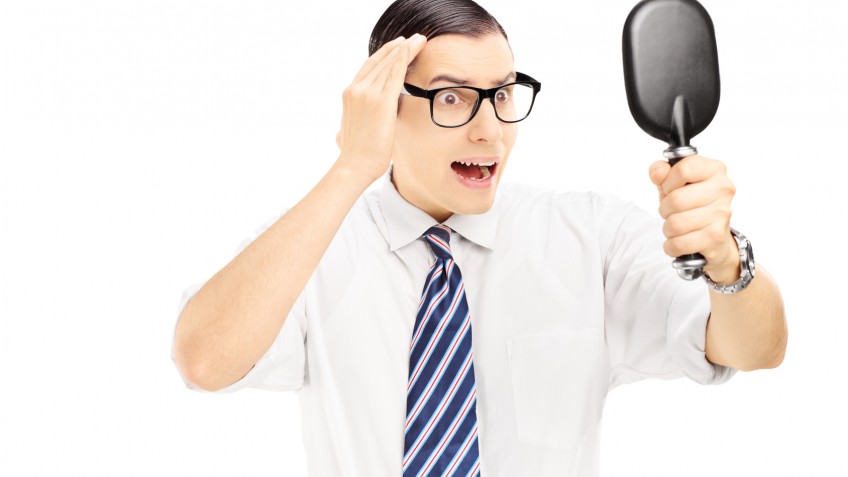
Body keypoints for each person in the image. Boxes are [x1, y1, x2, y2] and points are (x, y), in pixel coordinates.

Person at [171, 0, 788, 475]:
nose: (489, 130)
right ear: (385, 104)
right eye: (453, 98)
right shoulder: (314, 248)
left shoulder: (592, 236)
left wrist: (726, 260)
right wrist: (350, 168)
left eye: (502, 95)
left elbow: (754, 348)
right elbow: (204, 361)